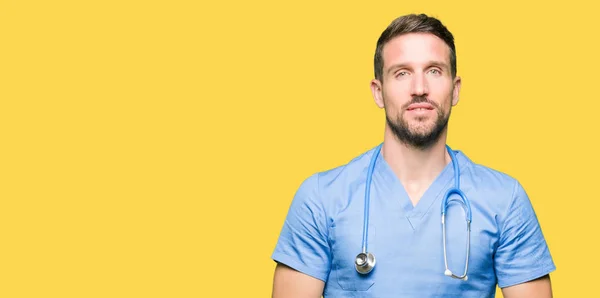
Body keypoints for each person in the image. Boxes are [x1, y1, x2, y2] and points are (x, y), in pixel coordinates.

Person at [271, 13, 555, 298]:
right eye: (402, 73)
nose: (419, 89)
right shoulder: (321, 199)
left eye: (434, 71)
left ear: (455, 89)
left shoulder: (505, 201)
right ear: (378, 92)